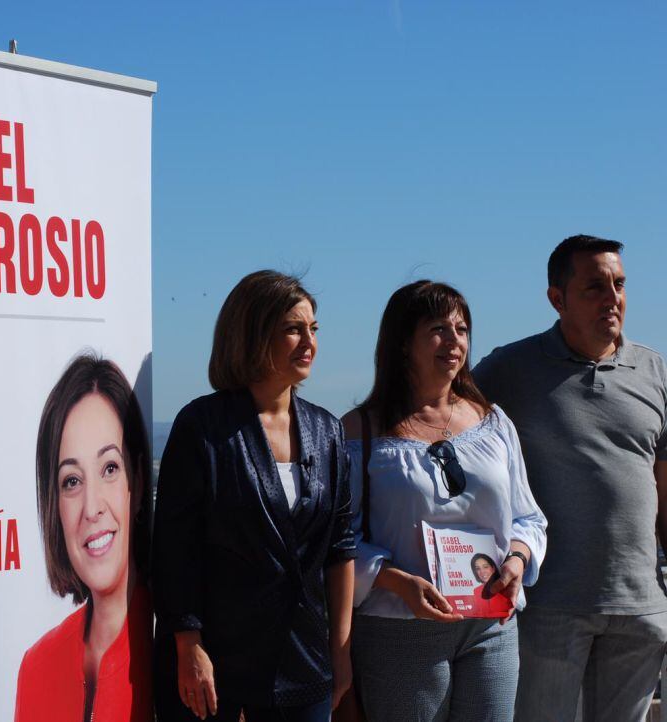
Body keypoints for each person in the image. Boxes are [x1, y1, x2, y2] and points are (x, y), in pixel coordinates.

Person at [473, 235, 667, 722]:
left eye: (619, 285)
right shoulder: (510, 369)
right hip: (550, 607)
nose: (612, 298)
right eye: (594, 287)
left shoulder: (654, 370)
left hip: (642, 607)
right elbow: (446, 418)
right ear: (556, 299)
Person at [152, 270, 355, 722]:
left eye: (313, 329)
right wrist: (189, 645)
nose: (309, 342)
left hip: (304, 658)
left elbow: (340, 549)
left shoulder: (327, 431)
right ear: (252, 335)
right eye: (292, 328)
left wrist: (340, 652)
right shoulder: (204, 426)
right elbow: (174, 548)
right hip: (216, 661)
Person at [344, 279, 546, 722]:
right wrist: (399, 583)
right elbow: (339, 540)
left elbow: (528, 516)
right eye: (438, 328)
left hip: (491, 624)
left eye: (462, 328)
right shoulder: (359, 432)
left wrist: (515, 560)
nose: (454, 340)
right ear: (402, 343)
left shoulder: (494, 423)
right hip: (399, 627)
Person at [14, 354, 152, 722]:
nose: (92, 508)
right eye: (71, 481)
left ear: (136, 484)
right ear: (54, 506)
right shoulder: (36, 665)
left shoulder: (175, 643)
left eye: (110, 468)